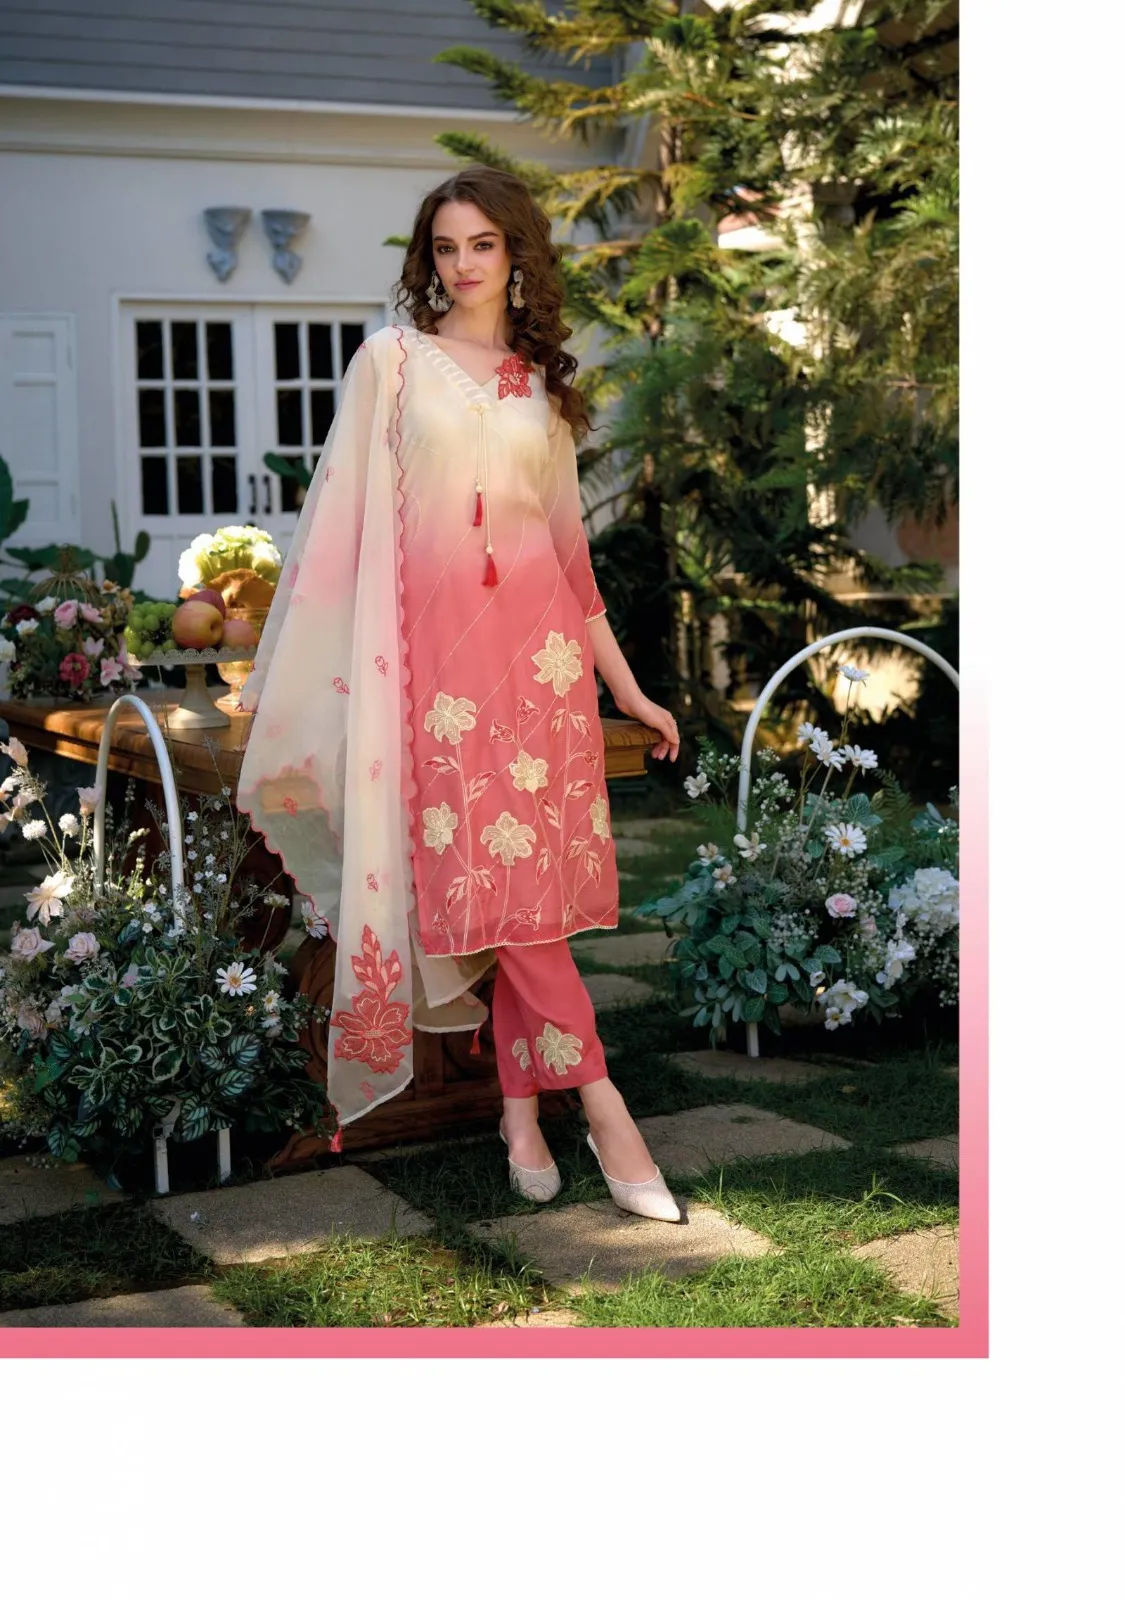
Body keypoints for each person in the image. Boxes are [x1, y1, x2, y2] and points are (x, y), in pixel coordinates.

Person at [237, 166, 683, 1222]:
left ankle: (520, 1118)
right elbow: (337, 530)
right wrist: (307, 674)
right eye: (446, 246)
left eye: (482, 243)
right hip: (437, 682)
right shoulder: (391, 364)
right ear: (427, 260)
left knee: (526, 907)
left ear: (516, 254)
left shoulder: (540, 389)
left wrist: (629, 689)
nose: (464, 263)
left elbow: (570, 561)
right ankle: (607, 1109)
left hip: (542, 676)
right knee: (499, 898)